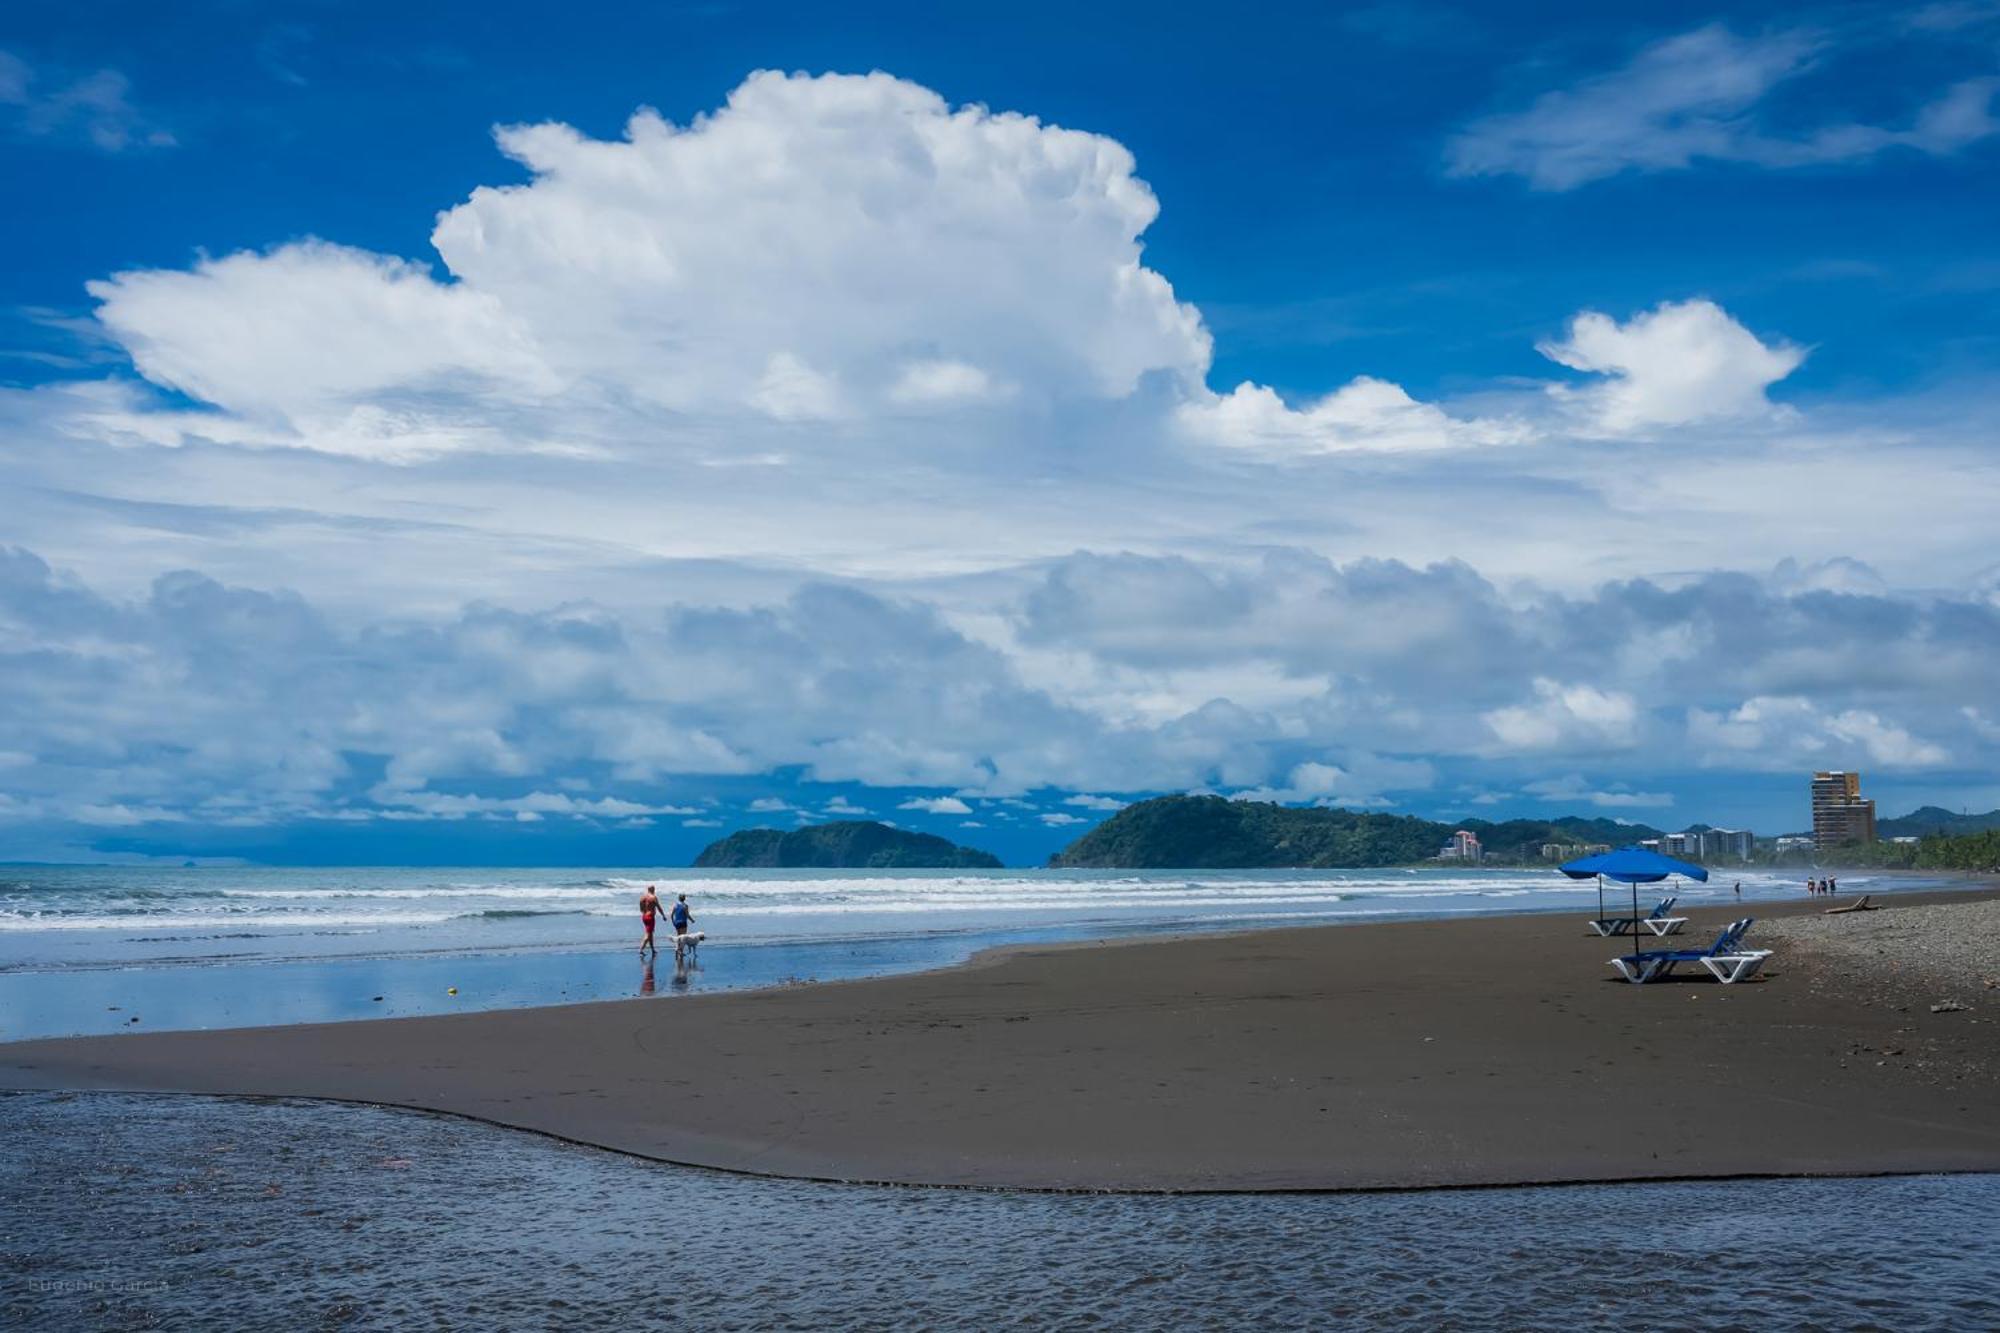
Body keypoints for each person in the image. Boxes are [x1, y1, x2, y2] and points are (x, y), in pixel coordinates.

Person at [638, 884, 662, 954]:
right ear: (652, 890)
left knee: (650, 934)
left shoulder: (642, 897)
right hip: (650, 917)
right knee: (648, 935)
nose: (654, 891)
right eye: (654, 889)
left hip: (644, 917)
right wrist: (663, 915)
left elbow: (641, 909)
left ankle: (653, 950)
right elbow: (659, 907)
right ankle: (641, 950)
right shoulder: (654, 897)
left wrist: (645, 912)